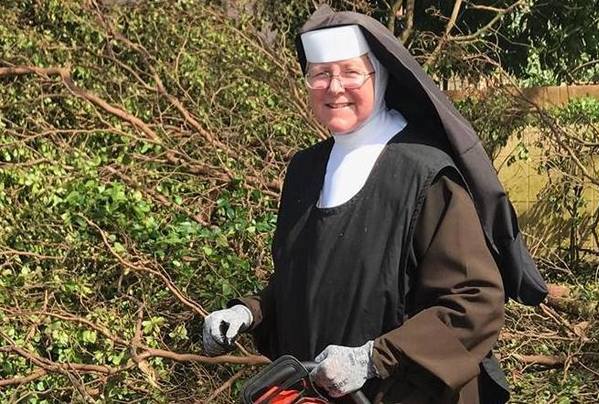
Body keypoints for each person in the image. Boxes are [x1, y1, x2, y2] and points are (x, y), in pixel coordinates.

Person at [203, 5, 547, 403]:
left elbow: (475, 301)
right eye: (320, 74)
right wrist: (247, 313)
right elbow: (307, 281)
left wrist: (371, 359)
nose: (334, 87)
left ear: (379, 76)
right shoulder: (305, 169)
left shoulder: (425, 172)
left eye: (350, 72)